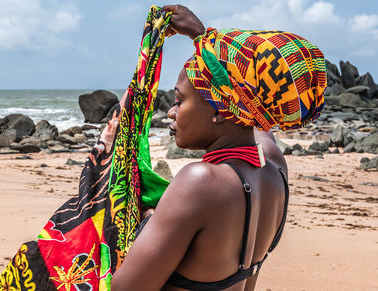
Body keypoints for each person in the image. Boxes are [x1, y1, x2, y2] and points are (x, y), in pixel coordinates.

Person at [111, 4, 326, 291]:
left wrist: (147, 221)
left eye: (179, 100)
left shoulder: (200, 183)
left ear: (221, 110)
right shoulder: (274, 167)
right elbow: (255, 106)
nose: (171, 113)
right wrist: (202, 37)